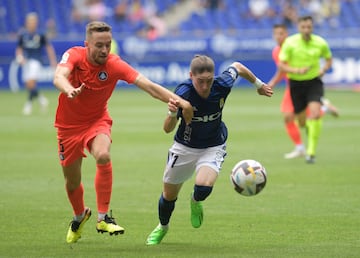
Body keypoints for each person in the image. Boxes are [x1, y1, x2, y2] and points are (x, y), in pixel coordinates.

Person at [53, 21, 193, 244]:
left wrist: (181, 101)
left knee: (103, 155)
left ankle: (103, 217)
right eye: (99, 45)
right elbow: (59, 76)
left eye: (108, 45)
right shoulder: (74, 55)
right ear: (87, 44)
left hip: (97, 121)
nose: (104, 50)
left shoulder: (114, 64)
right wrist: (70, 90)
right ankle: (80, 216)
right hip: (68, 127)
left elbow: (149, 86)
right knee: (72, 181)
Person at [145, 55, 273, 245]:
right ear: (191, 76)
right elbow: (167, 129)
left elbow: (237, 66)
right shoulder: (183, 93)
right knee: (169, 196)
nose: (205, 86)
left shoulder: (222, 84)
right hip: (184, 147)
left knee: (204, 187)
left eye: (209, 81)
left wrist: (259, 85)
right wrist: (172, 112)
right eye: (200, 82)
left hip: (213, 145)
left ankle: (195, 201)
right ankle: (163, 227)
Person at [268, 23, 339, 159]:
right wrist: (273, 83)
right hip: (293, 86)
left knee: (289, 117)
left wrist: (272, 82)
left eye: (281, 33)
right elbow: (282, 70)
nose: (278, 37)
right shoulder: (277, 51)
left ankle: (301, 148)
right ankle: (323, 107)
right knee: (301, 122)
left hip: (305, 84)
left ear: (286, 34)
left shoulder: (295, 46)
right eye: (276, 34)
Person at [15, 12, 57, 115]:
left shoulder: (41, 34)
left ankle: (28, 105)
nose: (32, 23)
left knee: (31, 82)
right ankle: (42, 99)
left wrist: (53, 61)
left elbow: (48, 48)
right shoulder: (23, 35)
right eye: (30, 21)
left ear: (36, 23)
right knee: (28, 84)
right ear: (27, 22)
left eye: (33, 21)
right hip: (26, 61)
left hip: (36, 61)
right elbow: (19, 48)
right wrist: (19, 57)